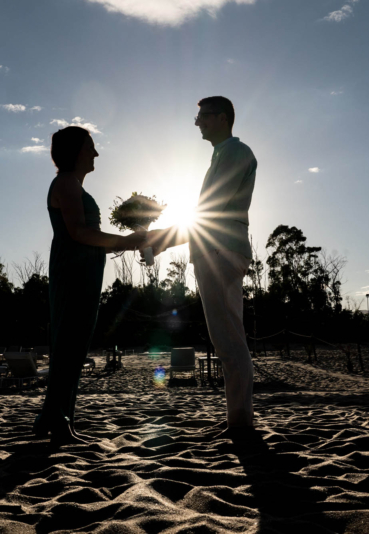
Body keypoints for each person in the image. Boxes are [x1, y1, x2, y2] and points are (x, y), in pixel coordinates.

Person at [143, 96, 258, 439]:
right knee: (226, 338)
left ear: (221, 118)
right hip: (216, 251)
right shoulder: (222, 156)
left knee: (228, 339)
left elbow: (208, 212)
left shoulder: (236, 153)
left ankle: (240, 422)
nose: (197, 123)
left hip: (220, 251)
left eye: (202, 116)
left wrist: (158, 240)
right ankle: (236, 418)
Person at [33, 126, 146, 446]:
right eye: (90, 148)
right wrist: (124, 239)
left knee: (75, 345)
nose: (95, 154)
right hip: (73, 273)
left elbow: (91, 240)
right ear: (75, 152)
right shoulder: (66, 183)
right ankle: (57, 419)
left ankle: (53, 417)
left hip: (85, 271)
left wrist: (127, 243)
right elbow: (79, 233)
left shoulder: (74, 186)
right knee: (69, 343)